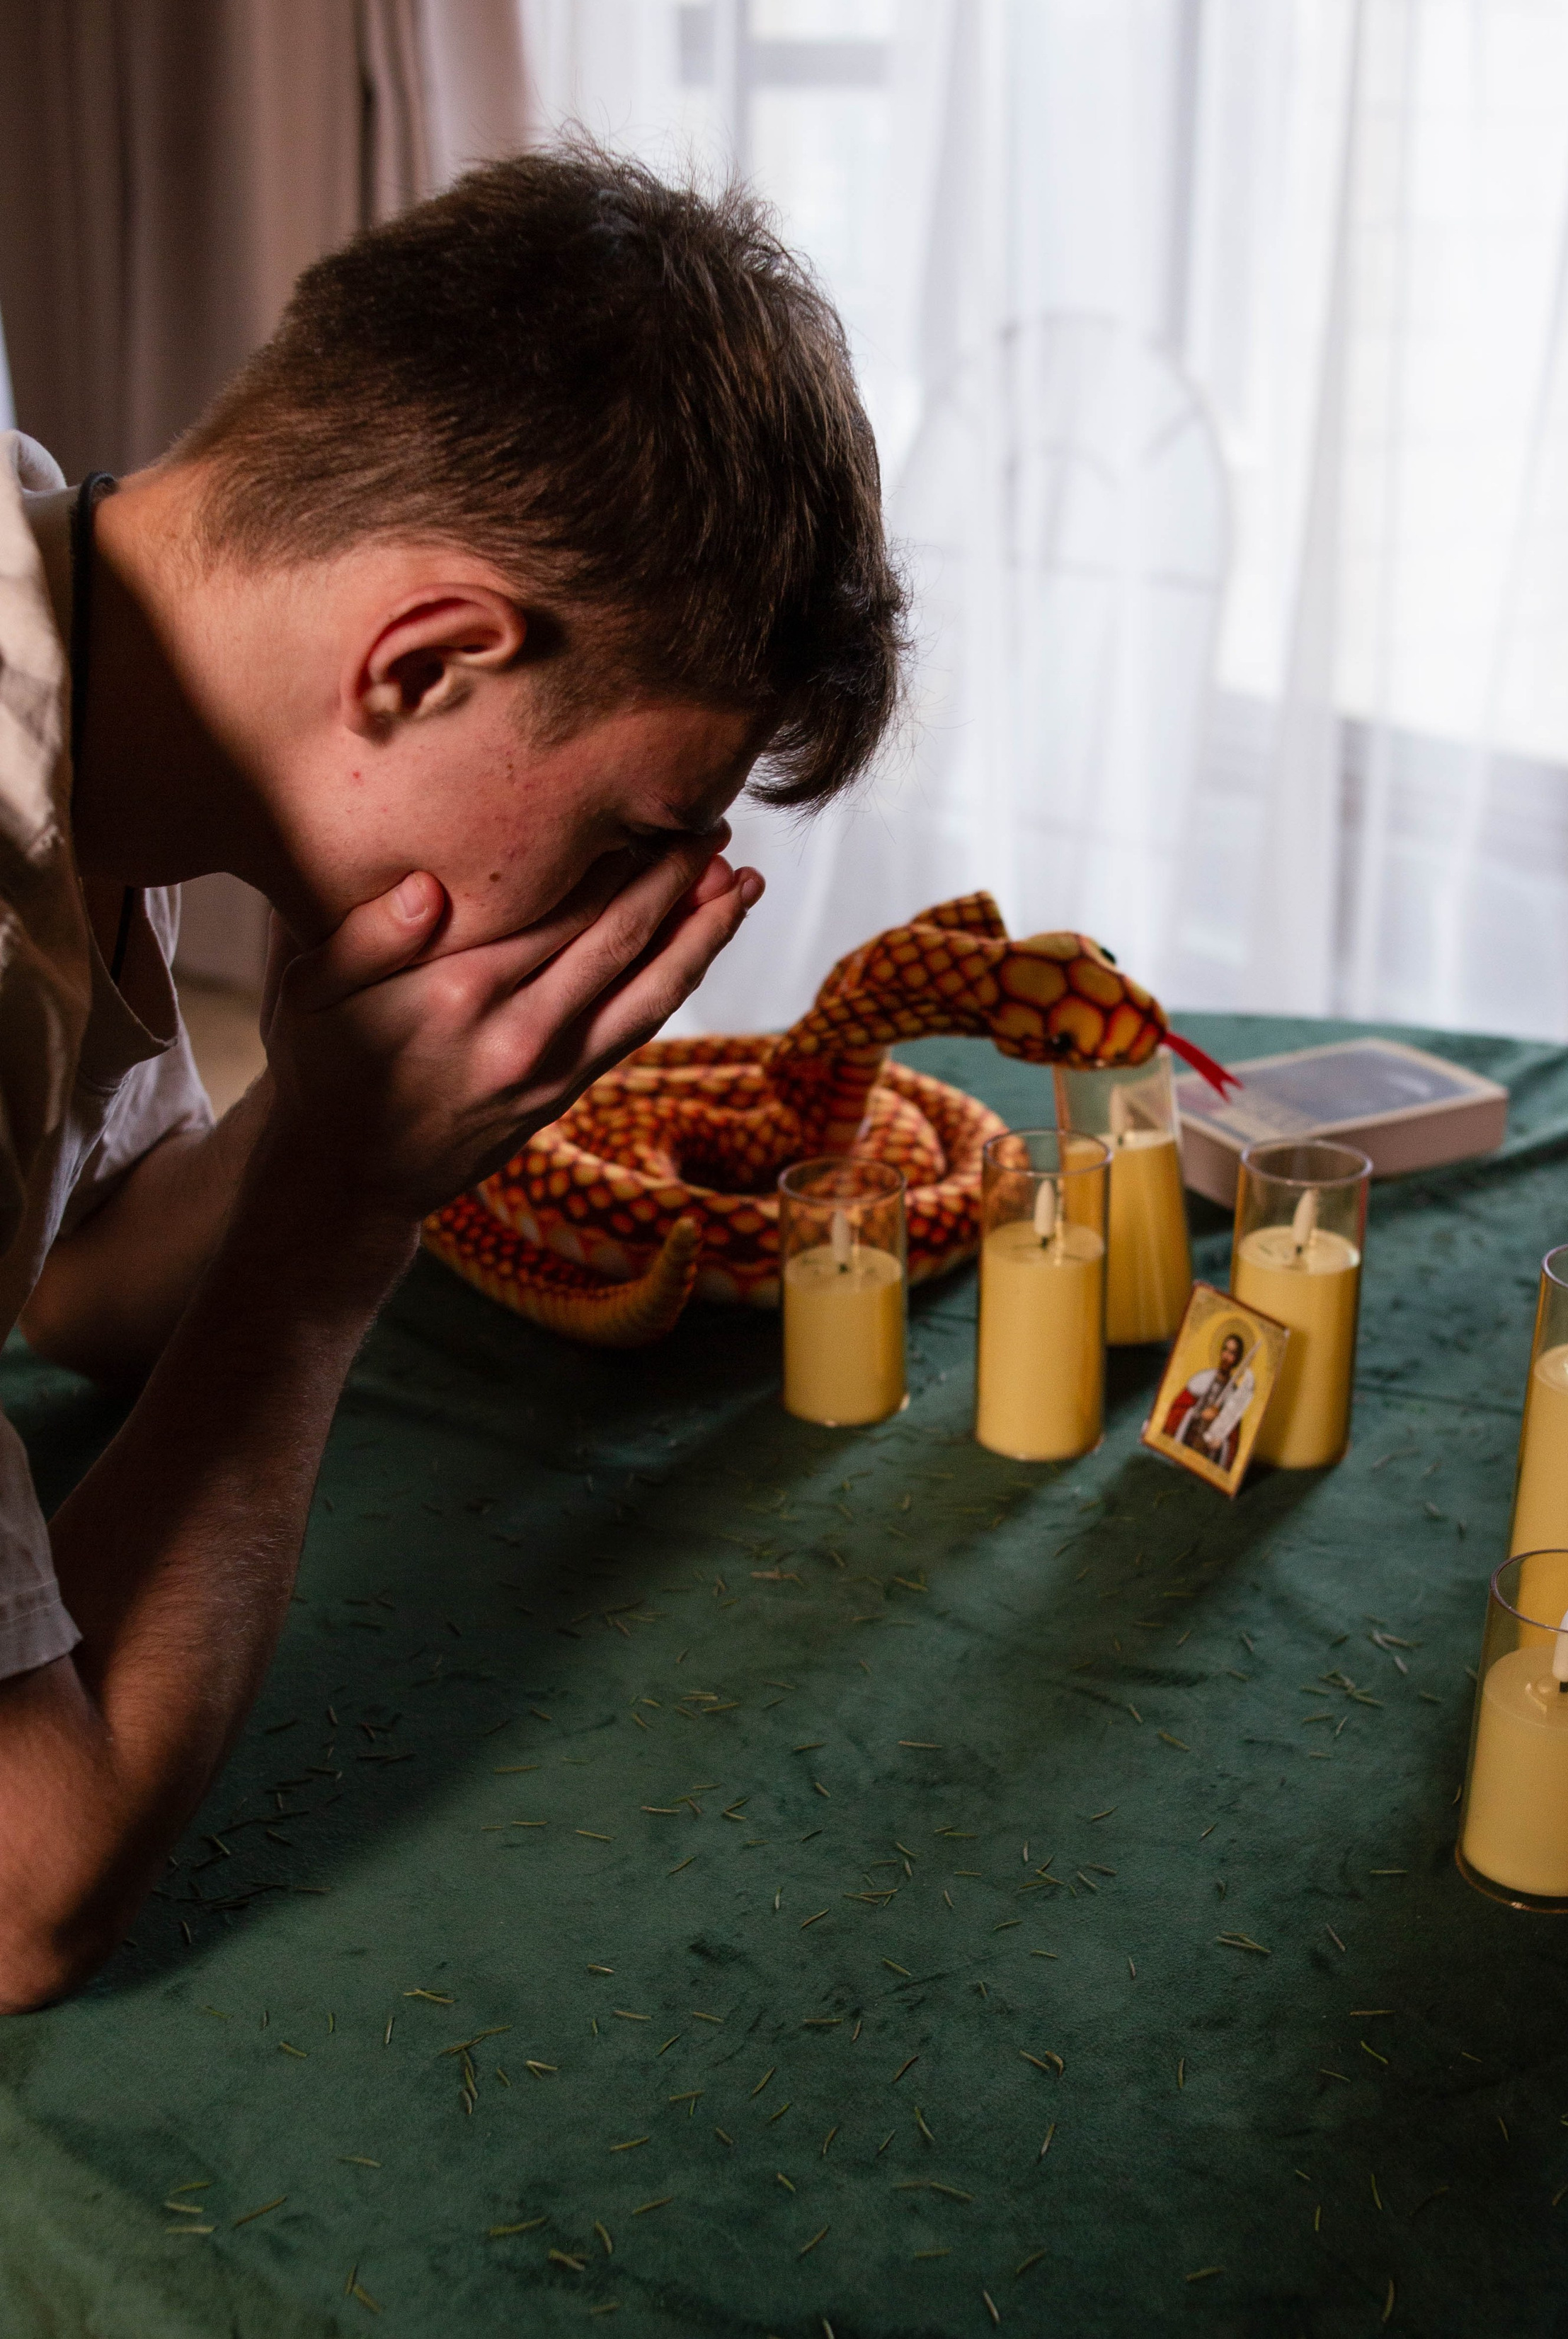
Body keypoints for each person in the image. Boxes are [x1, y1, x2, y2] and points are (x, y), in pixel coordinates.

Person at [0, 144, 903, 2010]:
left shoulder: (76, 620)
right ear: (426, 658)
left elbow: (76, 1273)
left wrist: (335, 1112)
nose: (650, 900)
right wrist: (332, 1232)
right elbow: (25, 1887)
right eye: (645, 825)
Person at [1165, 1330, 1255, 1470]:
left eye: (1232, 1353)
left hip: (1206, 1459)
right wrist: (1198, 1414)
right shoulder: (1201, 1379)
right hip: (1184, 1446)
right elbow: (1176, 1411)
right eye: (1225, 1350)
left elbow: (1232, 1440)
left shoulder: (1234, 1395)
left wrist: (1221, 1441)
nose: (1226, 1356)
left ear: (1237, 1359)